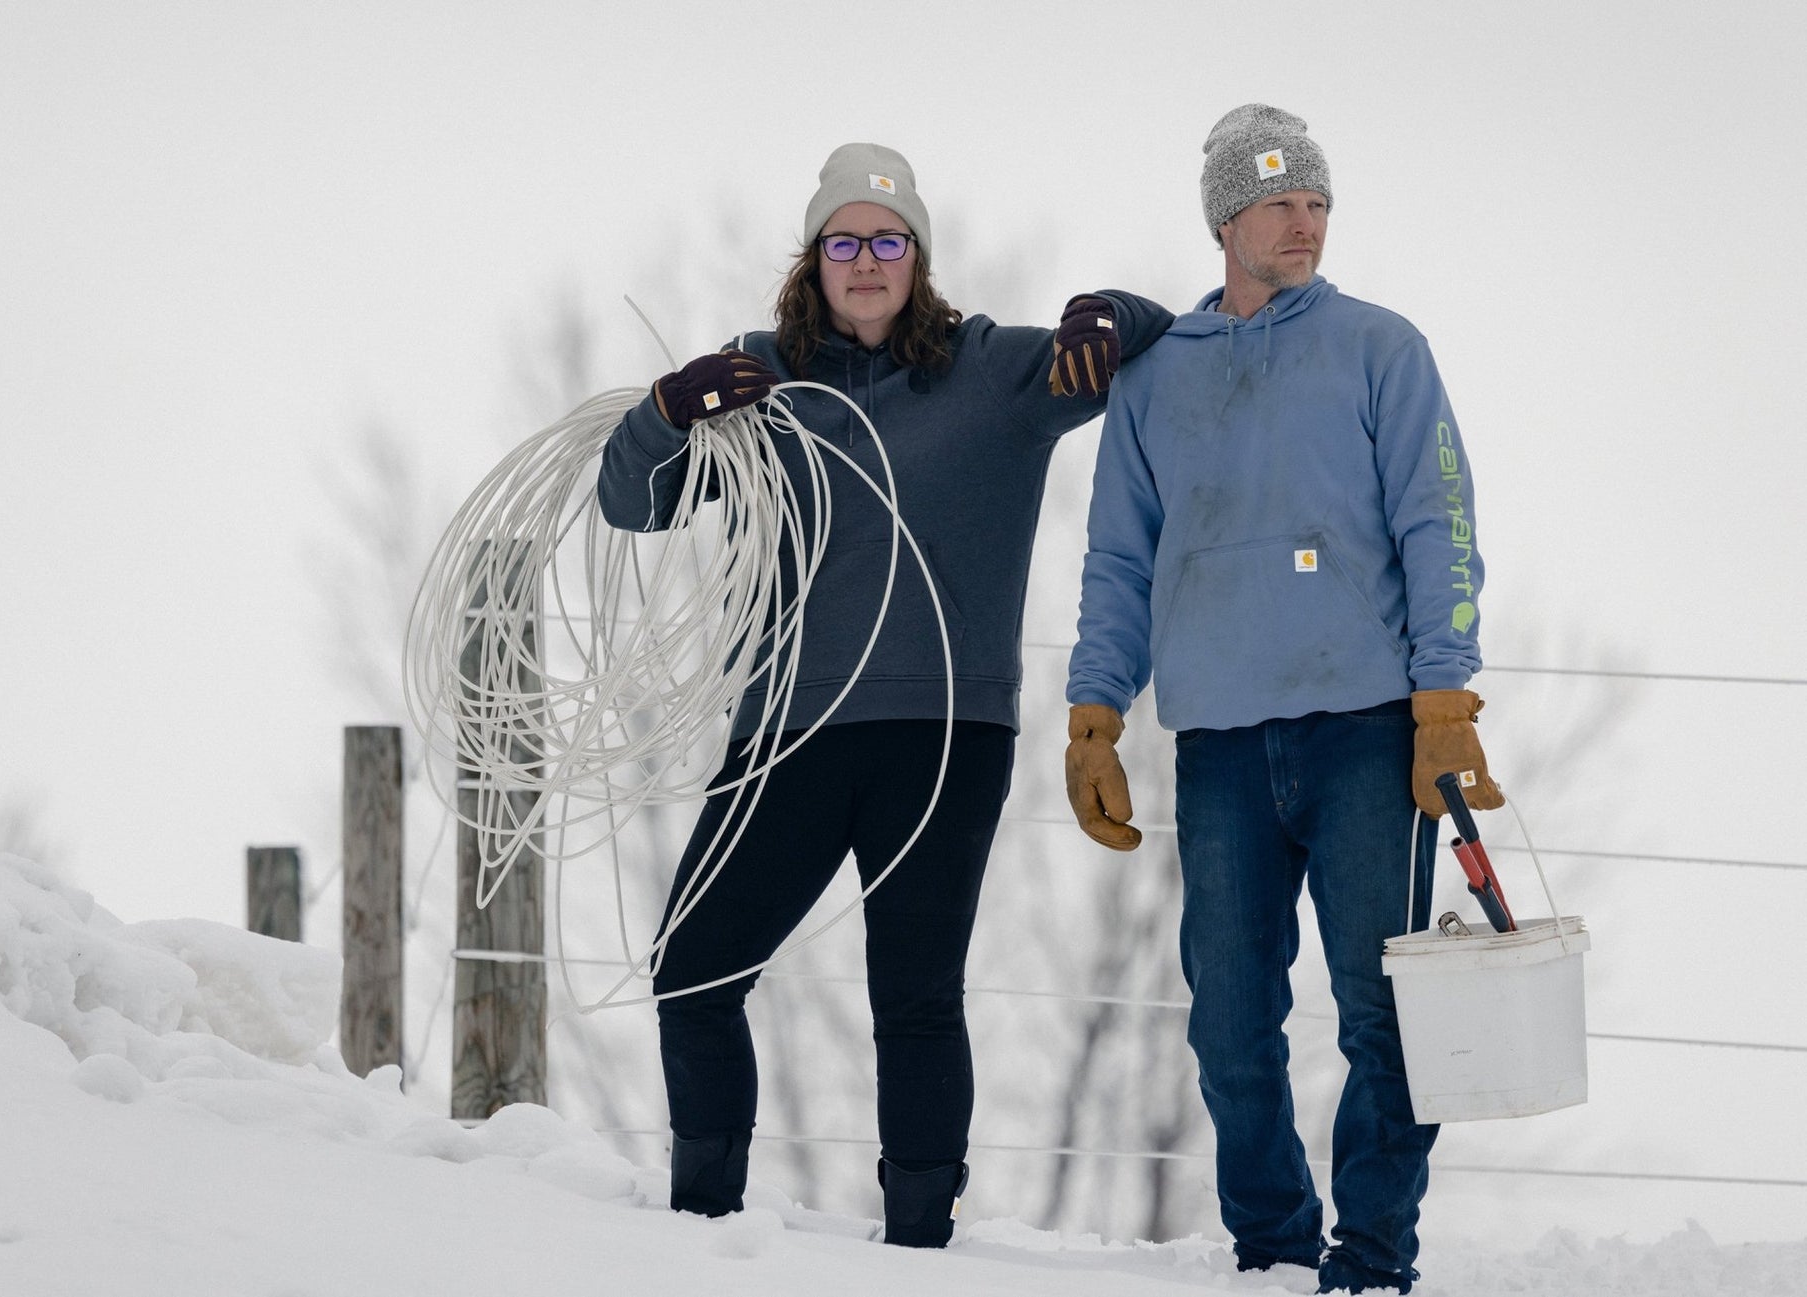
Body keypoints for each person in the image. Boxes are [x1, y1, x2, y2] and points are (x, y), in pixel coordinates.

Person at [597, 142, 1174, 1247]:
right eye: (843, 241)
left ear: (918, 256)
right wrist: (666, 411)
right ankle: (701, 1230)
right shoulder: (756, 382)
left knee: (912, 990)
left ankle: (917, 1240)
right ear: (812, 259)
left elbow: (1139, 335)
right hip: (788, 727)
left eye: (887, 239)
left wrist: (1107, 308)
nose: (866, 260)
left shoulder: (994, 370)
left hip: (944, 728)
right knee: (693, 970)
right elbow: (635, 503)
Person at [1062, 105, 1502, 1295]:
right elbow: (1116, 553)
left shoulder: (1377, 346)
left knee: (1381, 1010)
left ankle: (1368, 1255)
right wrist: (1094, 710)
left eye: (1314, 203)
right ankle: (1267, 1247)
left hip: (1366, 729)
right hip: (1214, 739)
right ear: (1222, 218)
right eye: (1276, 203)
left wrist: (1442, 696)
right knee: (1227, 1020)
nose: (1301, 222)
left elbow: (1437, 520)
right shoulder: (1157, 375)